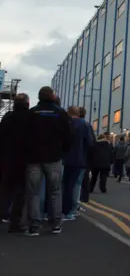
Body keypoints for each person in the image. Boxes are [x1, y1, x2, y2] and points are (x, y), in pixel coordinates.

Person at [24, 86, 72, 237]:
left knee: (34, 193)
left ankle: (34, 226)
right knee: (55, 191)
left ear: (38, 97)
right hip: (54, 158)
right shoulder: (60, 113)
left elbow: (23, 136)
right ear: (52, 96)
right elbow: (69, 136)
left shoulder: (31, 113)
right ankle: (56, 224)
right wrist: (62, 150)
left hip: (34, 158)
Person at [0, 93, 30, 233]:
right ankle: (15, 222)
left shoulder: (7, 118)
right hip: (24, 159)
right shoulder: (31, 118)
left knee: (5, 189)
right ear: (27, 103)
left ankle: (2, 214)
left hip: (7, 158)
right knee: (20, 192)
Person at [62, 106, 94, 221]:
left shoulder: (66, 123)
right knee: (76, 185)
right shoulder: (85, 125)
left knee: (65, 186)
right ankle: (72, 210)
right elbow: (90, 143)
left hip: (64, 159)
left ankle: (63, 211)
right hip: (80, 159)